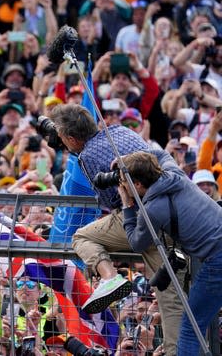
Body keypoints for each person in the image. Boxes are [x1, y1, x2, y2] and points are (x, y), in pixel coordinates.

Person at [49, 103, 183, 355]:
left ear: (70, 138)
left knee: (83, 236)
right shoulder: (120, 130)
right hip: (171, 211)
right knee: (172, 292)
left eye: (60, 137)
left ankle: (110, 277)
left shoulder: (86, 157)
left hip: (144, 219)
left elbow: (112, 201)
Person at [117, 151, 222, 354]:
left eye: (124, 182)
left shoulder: (153, 209)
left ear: (137, 184)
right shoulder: (174, 174)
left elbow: (137, 243)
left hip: (217, 260)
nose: (122, 186)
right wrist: (126, 160)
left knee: (191, 327)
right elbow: (161, 153)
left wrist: (127, 206)